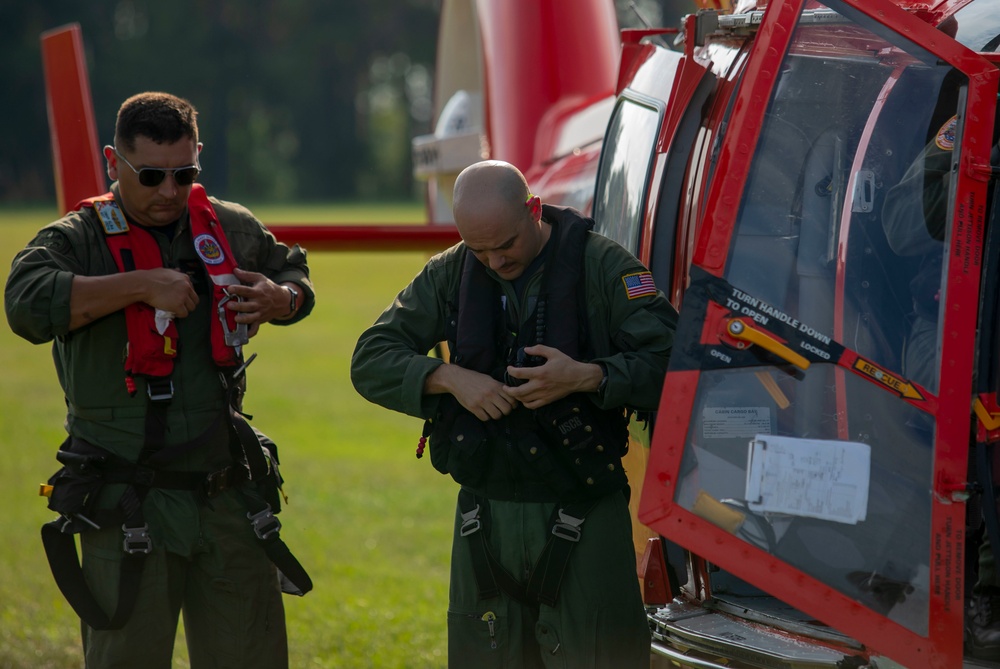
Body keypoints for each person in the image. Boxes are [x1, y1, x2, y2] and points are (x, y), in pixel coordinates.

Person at [4, 92, 315, 668]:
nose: (169, 191)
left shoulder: (228, 226)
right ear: (111, 162)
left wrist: (283, 297)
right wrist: (142, 285)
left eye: (184, 173)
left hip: (228, 498)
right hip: (129, 502)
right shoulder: (79, 239)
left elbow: (292, 268)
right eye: (150, 175)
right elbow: (24, 304)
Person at [351, 160, 678, 667]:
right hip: (486, 520)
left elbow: (675, 363)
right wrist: (450, 378)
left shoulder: (605, 268)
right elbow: (370, 359)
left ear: (533, 209)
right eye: (479, 250)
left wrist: (588, 376)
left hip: (585, 507)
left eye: (505, 246)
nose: (494, 262)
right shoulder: (452, 271)